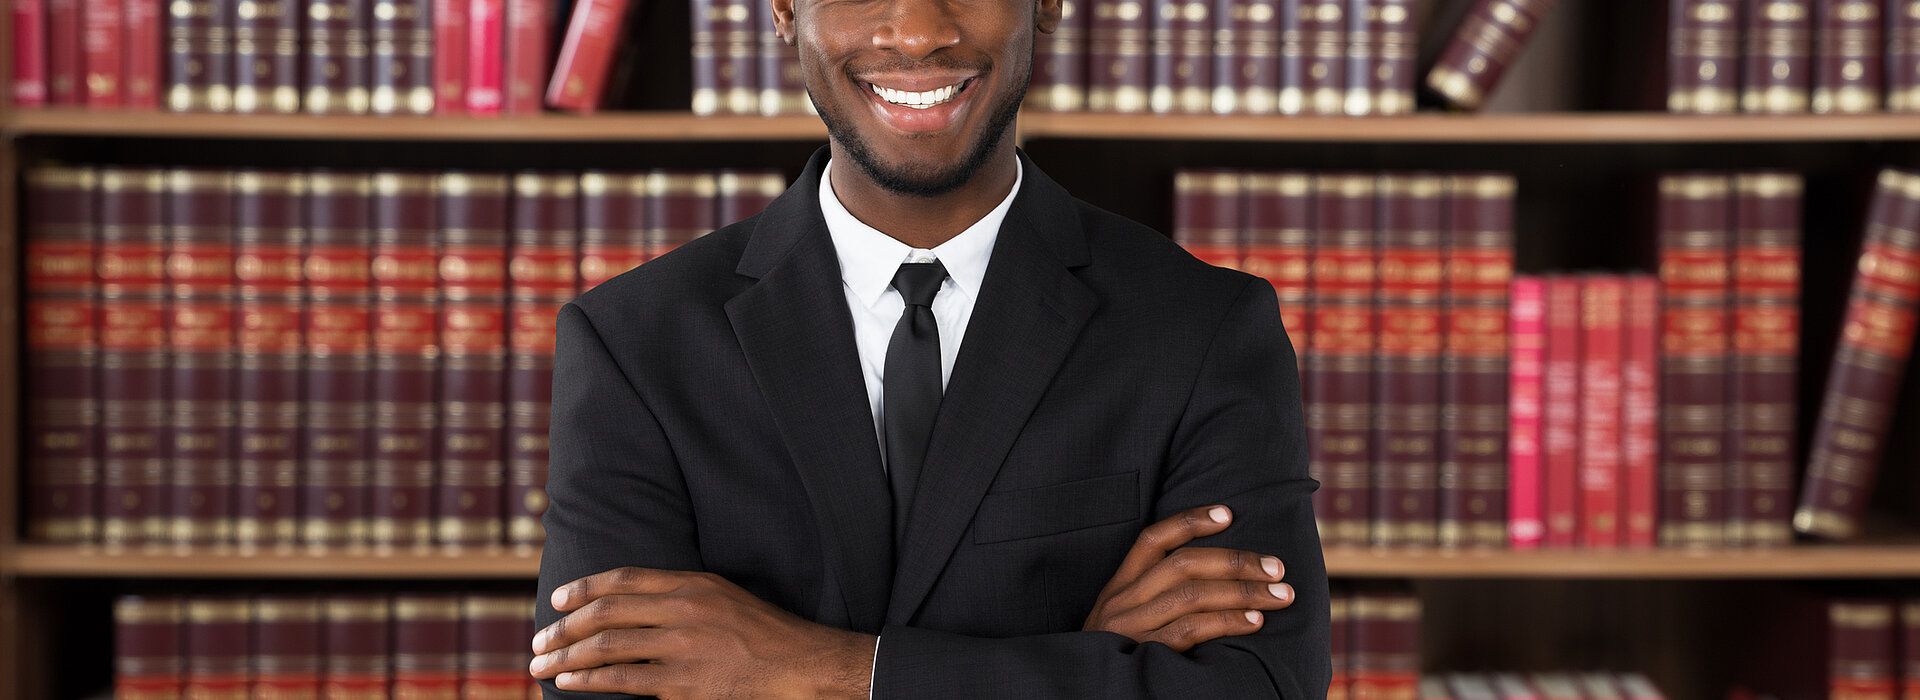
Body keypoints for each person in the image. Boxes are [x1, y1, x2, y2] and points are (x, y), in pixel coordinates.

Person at [527, 0, 1332, 693]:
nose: (916, 33)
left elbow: (1258, 685)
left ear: (1046, 2)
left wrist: (823, 671)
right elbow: (605, 693)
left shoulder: (1203, 328)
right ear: (782, 8)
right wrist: (1085, 663)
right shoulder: (632, 344)